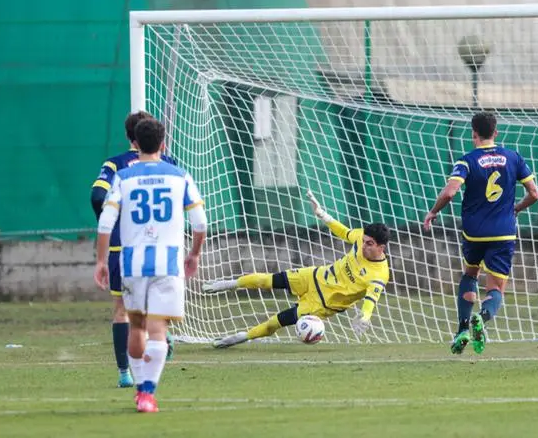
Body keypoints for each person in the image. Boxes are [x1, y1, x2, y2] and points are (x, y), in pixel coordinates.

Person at [94, 118, 207, 413]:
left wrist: (101, 260)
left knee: (137, 326)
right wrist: (194, 254)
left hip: (132, 262)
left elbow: (105, 222)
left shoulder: (123, 177)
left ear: (134, 143)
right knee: (158, 330)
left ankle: (134, 381)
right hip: (167, 262)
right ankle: (147, 393)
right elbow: (200, 223)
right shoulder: (178, 175)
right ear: (163, 144)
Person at [203, 191, 390, 348]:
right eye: (364, 241)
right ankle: (227, 284)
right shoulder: (361, 238)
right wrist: (322, 214)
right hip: (314, 276)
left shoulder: (379, 274)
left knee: (274, 323)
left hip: (320, 304)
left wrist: (364, 317)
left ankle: (239, 337)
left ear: (381, 247)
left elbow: (370, 300)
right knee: (266, 280)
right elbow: (343, 231)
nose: (364, 245)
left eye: (370, 244)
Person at [423, 111, 538, 354]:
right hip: (503, 232)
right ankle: (483, 317)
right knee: (495, 288)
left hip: (474, 232)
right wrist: (516, 208)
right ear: (496, 132)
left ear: (473, 133)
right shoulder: (513, 157)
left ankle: (462, 329)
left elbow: (449, 193)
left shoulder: (467, 160)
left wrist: (433, 212)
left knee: (470, 274)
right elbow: (534, 194)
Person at [90, 111, 177, 388]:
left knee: (123, 311)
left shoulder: (116, 165)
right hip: (163, 247)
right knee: (159, 305)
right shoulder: (170, 163)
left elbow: (97, 195)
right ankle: (160, 341)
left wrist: (115, 221)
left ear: (130, 137)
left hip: (123, 247)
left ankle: (125, 373)